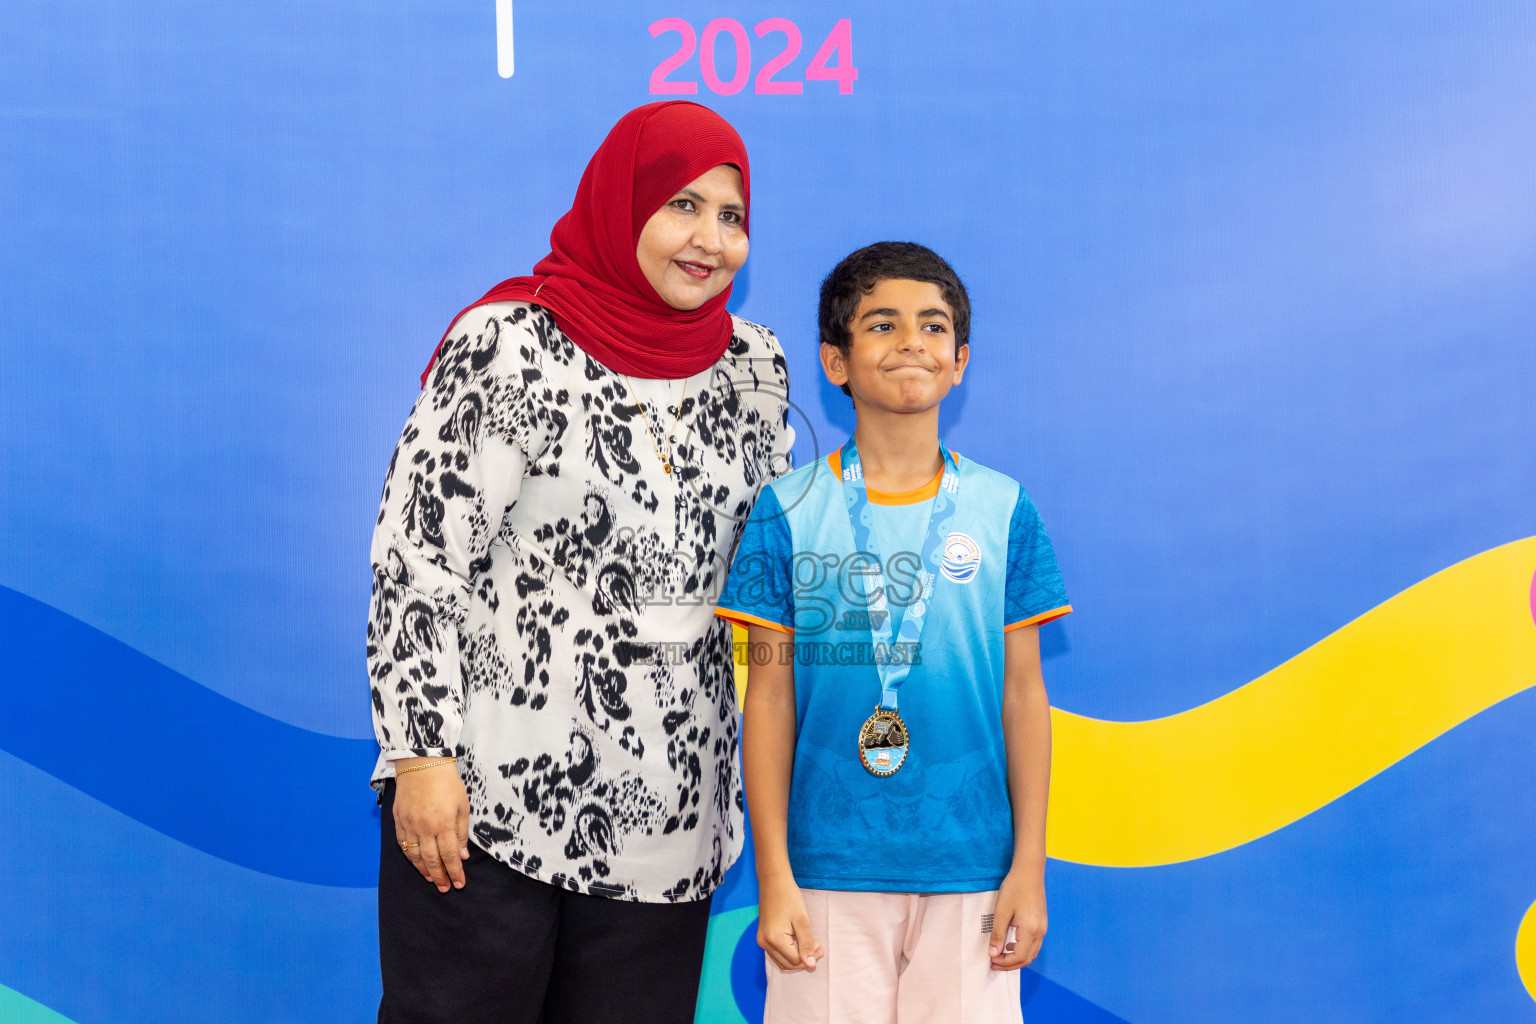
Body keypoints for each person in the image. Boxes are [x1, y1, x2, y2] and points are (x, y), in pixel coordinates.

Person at [367, 101, 793, 1024]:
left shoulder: (755, 370)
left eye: (732, 216)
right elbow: (418, 558)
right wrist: (420, 757)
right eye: (682, 205)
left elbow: (768, 584)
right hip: (488, 804)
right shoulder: (513, 344)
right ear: (621, 203)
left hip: (671, 821)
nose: (710, 239)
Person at [716, 242, 1071, 1024]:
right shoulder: (786, 509)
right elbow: (768, 700)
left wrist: (1029, 868)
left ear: (960, 360)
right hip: (826, 869)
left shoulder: (1006, 510)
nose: (912, 341)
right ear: (834, 363)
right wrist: (774, 874)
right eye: (881, 324)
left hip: (972, 865)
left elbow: (1023, 694)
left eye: (933, 326)